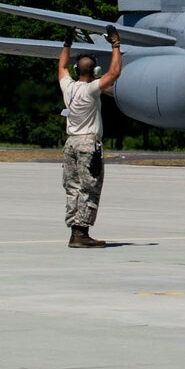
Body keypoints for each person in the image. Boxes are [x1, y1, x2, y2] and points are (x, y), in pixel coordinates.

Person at [57, 28, 121, 248]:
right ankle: (81, 232)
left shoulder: (68, 87)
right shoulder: (91, 89)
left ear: (77, 69)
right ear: (94, 70)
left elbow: (62, 67)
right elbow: (114, 73)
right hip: (88, 144)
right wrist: (115, 45)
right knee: (90, 187)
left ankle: (74, 230)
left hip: (70, 143)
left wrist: (67, 44)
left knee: (73, 187)